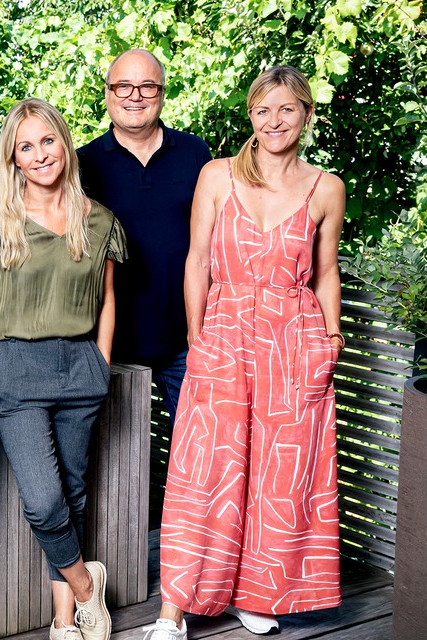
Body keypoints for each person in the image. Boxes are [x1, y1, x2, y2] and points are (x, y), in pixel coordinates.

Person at [143, 65, 345, 640]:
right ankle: (173, 611)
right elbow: (197, 262)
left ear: (306, 114)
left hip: (295, 339)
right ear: (250, 116)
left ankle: (254, 594)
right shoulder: (217, 175)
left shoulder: (325, 187)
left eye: (286, 109)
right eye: (262, 110)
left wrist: (330, 338)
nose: (273, 121)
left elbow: (326, 271)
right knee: (203, 469)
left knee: (276, 476)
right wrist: (196, 335)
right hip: (223, 333)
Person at [0, 98, 121, 640]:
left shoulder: (98, 220)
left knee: (73, 495)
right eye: (25, 146)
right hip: (15, 371)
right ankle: (86, 586)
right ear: (14, 159)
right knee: (44, 499)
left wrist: (100, 362)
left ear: (64, 143)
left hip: (81, 370)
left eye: (47, 140)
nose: (40, 154)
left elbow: (107, 302)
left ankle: (63, 623)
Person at [76, 49, 211, 423]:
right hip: (107, 344)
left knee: (199, 450)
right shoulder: (80, 164)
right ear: (107, 94)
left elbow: (218, 240)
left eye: (147, 86)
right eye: (123, 86)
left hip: (185, 339)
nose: (134, 96)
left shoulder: (196, 154)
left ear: (162, 93)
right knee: (112, 466)